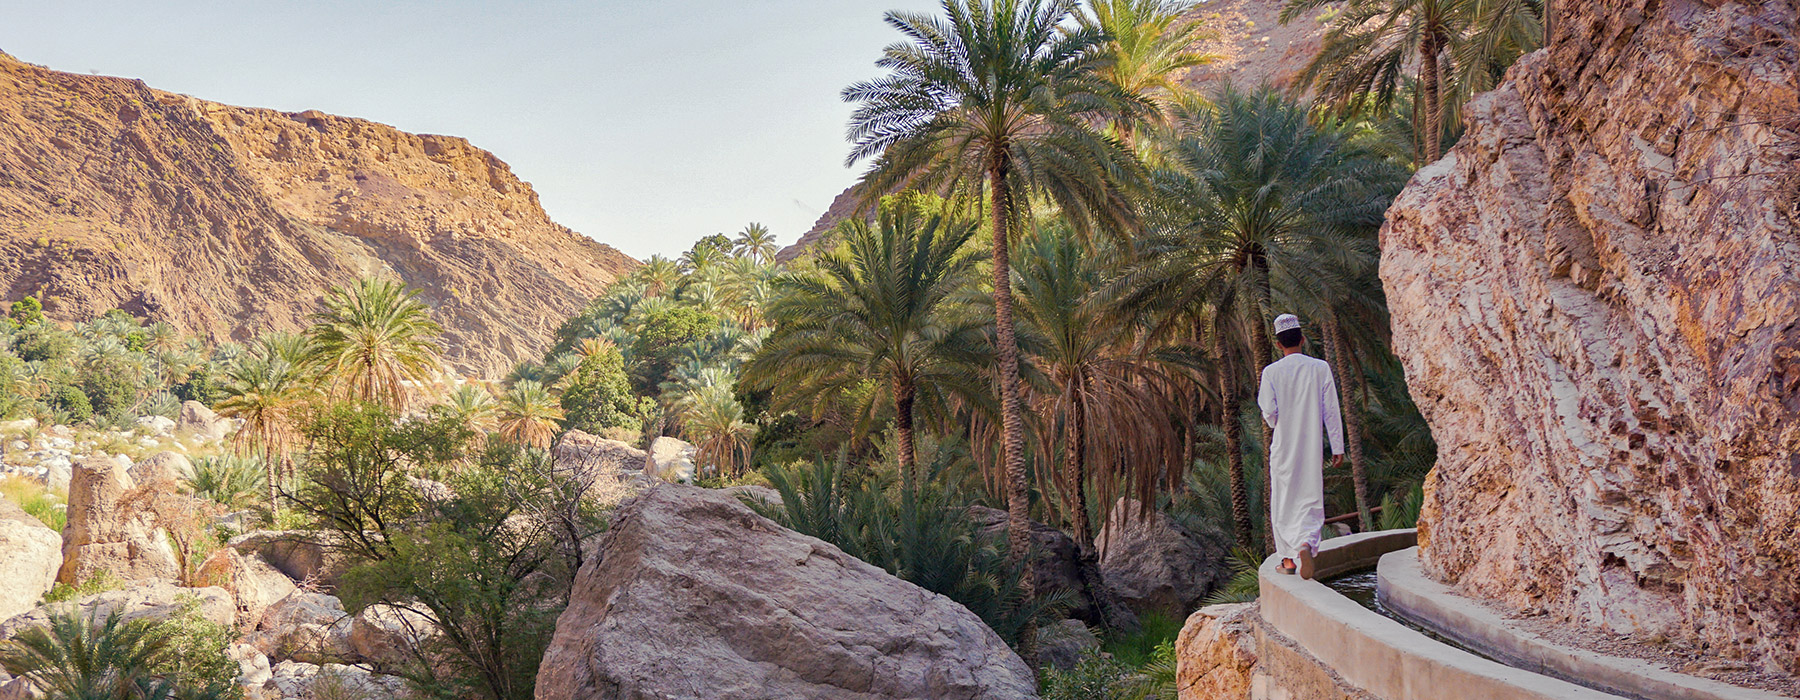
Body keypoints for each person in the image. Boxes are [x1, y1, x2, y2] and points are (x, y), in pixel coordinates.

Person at [1257, 313, 1345, 578]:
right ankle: (1306, 543)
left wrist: (1277, 422)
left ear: (1278, 344)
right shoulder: (1320, 368)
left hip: (1284, 447)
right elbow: (1331, 409)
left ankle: (1288, 562)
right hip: (1311, 447)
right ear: (1303, 339)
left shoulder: (1271, 372)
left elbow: (1269, 411)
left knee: (1284, 501)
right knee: (1309, 497)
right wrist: (1338, 446)